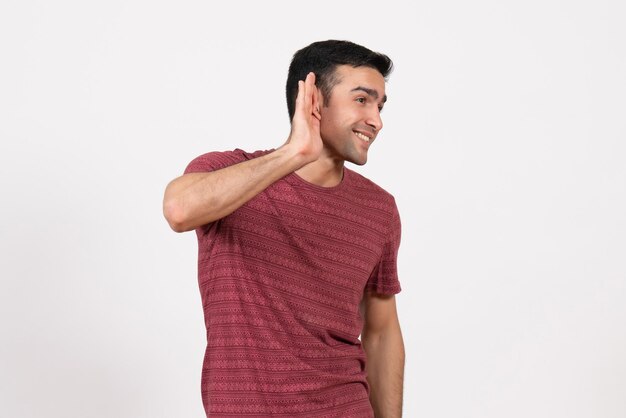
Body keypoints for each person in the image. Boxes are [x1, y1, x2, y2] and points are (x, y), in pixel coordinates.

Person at [163, 40, 405, 418]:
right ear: (310, 97)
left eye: (380, 105)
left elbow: (381, 330)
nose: (377, 119)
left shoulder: (380, 208)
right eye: (362, 100)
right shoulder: (226, 171)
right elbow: (179, 210)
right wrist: (294, 152)